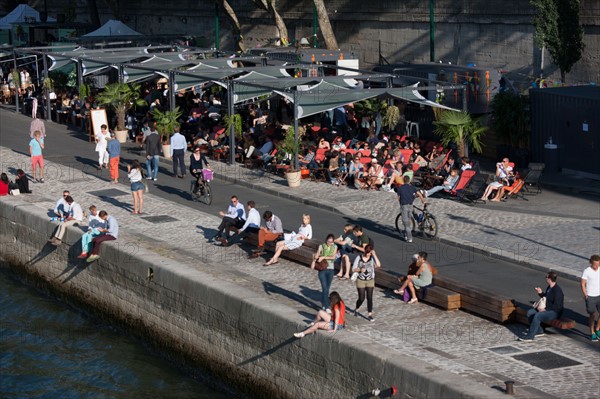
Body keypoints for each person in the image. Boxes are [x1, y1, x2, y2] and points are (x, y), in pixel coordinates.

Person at [518, 271, 564, 342]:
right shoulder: (549, 287)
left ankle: (530, 336)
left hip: (554, 312)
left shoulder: (557, 291)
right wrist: (540, 293)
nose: (545, 278)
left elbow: (557, 306)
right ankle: (539, 331)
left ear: (549, 279)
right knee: (530, 312)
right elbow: (546, 298)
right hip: (547, 309)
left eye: (546, 277)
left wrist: (545, 309)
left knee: (538, 315)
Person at [352, 245, 381, 321]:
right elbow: (353, 269)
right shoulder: (359, 258)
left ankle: (370, 314)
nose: (368, 254)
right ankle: (357, 308)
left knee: (369, 297)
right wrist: (360, 270)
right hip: (360, 280)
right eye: (367, 252)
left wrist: (374, 255)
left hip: (370, 280)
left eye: (370, 253)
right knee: (361, 298)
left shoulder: (372, 258)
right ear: (364, 251)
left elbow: (378, 265)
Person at [311, 234, 338, 311]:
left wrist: (324, 257)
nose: (330, 243)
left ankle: (323, 303)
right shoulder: (321, 246)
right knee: (325, 289)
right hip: (322, 269)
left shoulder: (335, 247)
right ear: (326, 240)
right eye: (328, 242)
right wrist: (316, 257)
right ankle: (327, 307)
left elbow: (333, 257)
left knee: (327, 289)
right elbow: (317, 256)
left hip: (331, 270)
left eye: (331, 242)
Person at [395, 175, 426, 243]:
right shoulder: (412, 187)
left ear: (403, 181)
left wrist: (400, 203)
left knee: (406, 222)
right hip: (410, 205)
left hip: (404, 206)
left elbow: (398, 197)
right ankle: (408, 232)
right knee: (409, 219)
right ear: (409, 180)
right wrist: (423, 201)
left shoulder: (400, 188)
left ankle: (409, 238)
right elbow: (420, 194)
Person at [581, 254, 600, 341]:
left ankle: (597, 329)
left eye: (598, 264)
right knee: (592, 315)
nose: (596, 266)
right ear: (591, 263)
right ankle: (592, 332)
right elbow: (582, 283)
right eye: (595, 265)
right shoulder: (587, 271)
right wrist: (585, 294)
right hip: (591, 296)